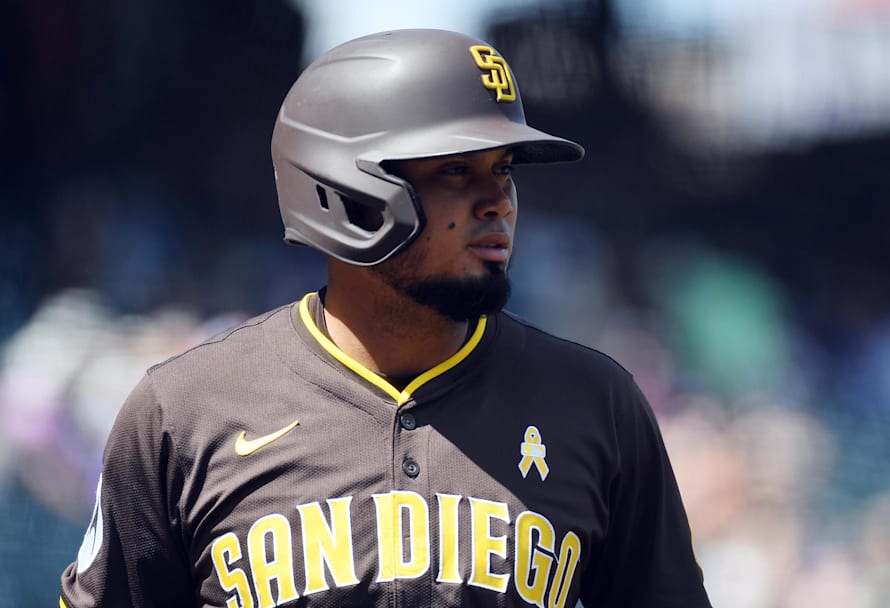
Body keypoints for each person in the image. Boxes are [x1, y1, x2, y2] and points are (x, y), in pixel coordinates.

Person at [58, 28, 710, 607]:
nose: (498, 202)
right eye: (457, 170)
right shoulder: (183, 412)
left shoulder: (597, 406)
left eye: (503, 171)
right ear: (345, 192)